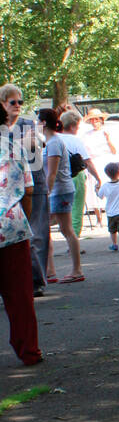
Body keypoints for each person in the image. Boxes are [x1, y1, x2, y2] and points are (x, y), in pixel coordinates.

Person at [0, 100, 42, 364]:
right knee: (20, 296)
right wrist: (22, 216)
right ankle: (28, 350)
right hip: (12, 227)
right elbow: (28, 190)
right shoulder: (12, 147)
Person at [0, 84, 49, 294]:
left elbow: (34, 149)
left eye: (20, 102)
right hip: (7, 190)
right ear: (2, 103)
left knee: (36, 234)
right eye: (13, 102)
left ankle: (36, 280)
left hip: (32, 184)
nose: (18, 106)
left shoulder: (28, 124)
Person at [39, 108, 83, 283]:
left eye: (38, 120)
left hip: (60, 191)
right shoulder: (49, 142)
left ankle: (77, 270)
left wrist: (46, 193)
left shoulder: (54, 143)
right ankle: (50, 270)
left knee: (66, 230)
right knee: (44, 228)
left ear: (43, 123)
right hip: (56, 191)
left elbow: (52, 172)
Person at [59, 110, 101, 239]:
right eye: (77, 126)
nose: (78, 129)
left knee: (62, 209)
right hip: (75, 176)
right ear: (72, 126)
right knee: (77, 208)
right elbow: (87, 161)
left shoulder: (55, 139)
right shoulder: (76, 141)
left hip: (59, 177)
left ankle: (66, 234)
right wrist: (97, 178)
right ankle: (73, 238)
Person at [82, 109, 117, 223]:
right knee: (93, 189)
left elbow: (114, 150)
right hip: (93, 162)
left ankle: (110, 215)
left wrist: (108, 139)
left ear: (101, 120)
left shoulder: (107, 132)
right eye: (92, 120)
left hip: (105, 161)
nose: (94, 122)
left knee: (107, 187)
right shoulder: (87, 135)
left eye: (97, 120)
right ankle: (98, 218)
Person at [96, 162, 119, 251]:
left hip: (110, 213)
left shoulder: (105, 186)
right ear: (118, 172)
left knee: (112, 230)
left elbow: (100, 196)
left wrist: (96, 189)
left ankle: (114, 244)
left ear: (107, 174)